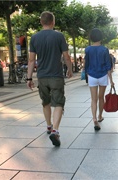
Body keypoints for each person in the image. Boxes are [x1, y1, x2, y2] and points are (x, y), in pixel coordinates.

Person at [27, 11, 73, 147]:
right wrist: (70, 69)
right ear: (53, 22)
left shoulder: (34, 38)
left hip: (42, 77)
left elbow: (31, 60)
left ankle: (48, 125)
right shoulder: (59, 36)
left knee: (45, 102)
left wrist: (29, 78)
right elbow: (66, 56)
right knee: (59, 103)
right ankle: (55, 130)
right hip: (56, 76)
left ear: (41, 22)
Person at [84, 28, 114, 131]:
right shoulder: (104, 50)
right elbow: (108, 66)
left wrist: (87, 73)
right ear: (101, 37)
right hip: (102, 76)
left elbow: (86, 64)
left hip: (92, 76)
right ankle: (100, 115)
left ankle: (94, 118)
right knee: (101, 98)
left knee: (93, 99)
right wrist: (111, 80)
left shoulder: (87, 49)